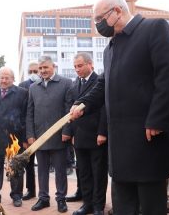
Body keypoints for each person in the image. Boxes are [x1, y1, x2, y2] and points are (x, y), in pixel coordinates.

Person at [70, 0, 169, 214]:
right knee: (123, 205)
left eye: (100, 18)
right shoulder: (109, 48)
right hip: (119, 146)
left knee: (150, 206)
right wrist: (83, 104)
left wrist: (158, 119)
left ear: (118, 11)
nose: (98, 24)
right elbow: (103, 84)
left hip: (148, 136)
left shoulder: (153, 28)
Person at [26, 55, 72, 213]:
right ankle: (43, 198)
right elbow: (29, 113)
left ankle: (61, 199)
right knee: (42, 170)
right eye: (40, 68)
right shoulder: (33, 87)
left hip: (59, 136)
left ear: (53, 67)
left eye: (45, 67)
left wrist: (67, 131)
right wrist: (30, 134)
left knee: (60, 171)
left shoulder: (66, 83)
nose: (43, 70)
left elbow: (69, 111)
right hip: (39, 137)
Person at [66, 52, 108, 215]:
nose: (77, 69)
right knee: (83, 172)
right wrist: (71, 133)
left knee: (98, 173)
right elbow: (70, 110)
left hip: (97, 135)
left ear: (90, 64)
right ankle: (87, 204)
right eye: (75, 66)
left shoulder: (100, 81)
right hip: (80, 136)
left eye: (80, 65)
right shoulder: (74, 84)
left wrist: (102, 132)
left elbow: (104, 108)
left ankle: (98, 206)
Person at [0, 67, 28, 206]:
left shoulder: (22, 94)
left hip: (15, 138)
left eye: (7, 78)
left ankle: (16, 196)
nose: (4, 80)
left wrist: (25, 138)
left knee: (15, 168)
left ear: (13, 79)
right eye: (1, 78)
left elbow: (25, 117)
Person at [18, 61, 40, 201]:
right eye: (30, 71)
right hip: (28, 131)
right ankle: (30, 190)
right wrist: (25, 136)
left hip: (43, 128)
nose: (33, 74)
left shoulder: (44, 84)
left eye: (35, 71)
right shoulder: (22, 87)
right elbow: (21, 112)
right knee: (29, 164)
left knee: (46, 165)